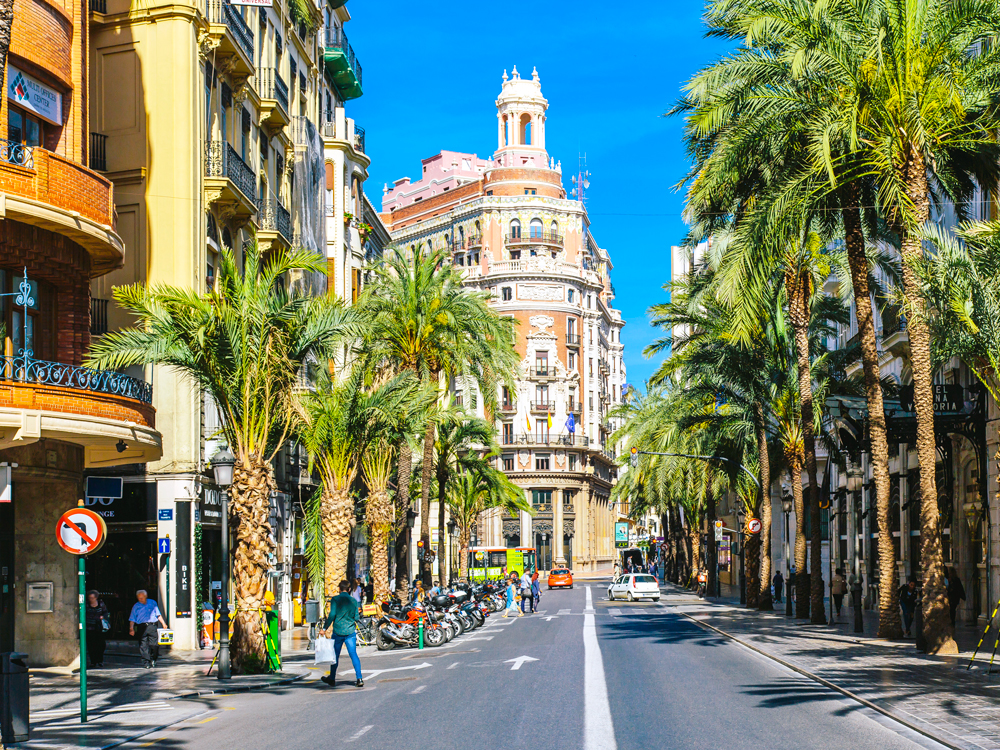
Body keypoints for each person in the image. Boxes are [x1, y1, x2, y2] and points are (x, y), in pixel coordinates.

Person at [320, 580, 364, 688]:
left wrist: (324, 628)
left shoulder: (335, 599)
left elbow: (332, 615)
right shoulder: (353, 601)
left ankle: (332, 678)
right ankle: (359, 678)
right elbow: (356, 617)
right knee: (353, 654)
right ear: (349, 589)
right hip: (350, 632)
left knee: (335, 656)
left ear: (339, 589)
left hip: (338, 631)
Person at [128, 589, 167, 669]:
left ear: (146, 596)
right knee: (143, 645)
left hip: (152, 626)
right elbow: (132, 618)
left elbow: (158, 614)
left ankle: (153, 658)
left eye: (142, 597)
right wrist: (131, 628)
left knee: (154, 644)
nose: (141, 599)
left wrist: (163, 623)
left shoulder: (152, 603)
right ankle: (146, 662)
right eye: (139, 598)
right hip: (141, 626)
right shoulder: (136, 606)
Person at [85, 591, 110, 668]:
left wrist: (103, 617)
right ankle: (93, 661)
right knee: (91, 645)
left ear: (96, 598)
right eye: (89, 597)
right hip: (89, 627)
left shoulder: (101, 604)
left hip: (99, 627)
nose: (90, 599)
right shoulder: (86, 604)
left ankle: (100, 660)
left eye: (92, 598)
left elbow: (105, 612)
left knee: (100, 644)